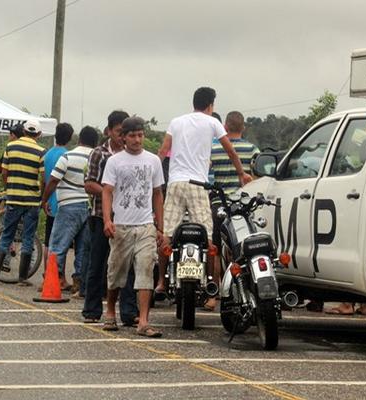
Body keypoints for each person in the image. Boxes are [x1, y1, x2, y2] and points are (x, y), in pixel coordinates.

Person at [157, 87, 252, 310]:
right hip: (198, 185)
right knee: (207, 239)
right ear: (210, 105)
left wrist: (154, 177)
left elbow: (163, 151)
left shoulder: (176, 122)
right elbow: (230, 150)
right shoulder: (212, 122)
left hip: (175, 184)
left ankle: (161, 282)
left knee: (167, 235)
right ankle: (211, 283)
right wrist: (241, 173)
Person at [101, 116, 165, 337]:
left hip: (145, 225)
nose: (137, 140)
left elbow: (157, 193)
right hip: (122, 225)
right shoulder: (115, 161)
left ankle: (144, 321)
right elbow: (107, 191)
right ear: (123, 138)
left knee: (146, 270)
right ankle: (110, 312)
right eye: (132, 136)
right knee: (116, 272)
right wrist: (107, 220)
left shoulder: (153, 161)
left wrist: (160, 227)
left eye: (140, 135)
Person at [82, 110, 138, 326]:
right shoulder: (99, 153)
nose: (122, 136)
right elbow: (89, 184)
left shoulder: (132, 154)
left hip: (127, 219)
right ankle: (92, 310)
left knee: (128, 267)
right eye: (118, 132)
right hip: (100, 216)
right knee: (97, 264)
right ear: (109, 131)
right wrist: (110, 191)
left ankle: (128, 311)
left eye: (125, 132)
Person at [41, 126, 98, 298]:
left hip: (69, 206)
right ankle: (78, 282)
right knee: (82, 247)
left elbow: (53, 180)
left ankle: (53, 279)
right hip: (89, 207)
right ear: (95, 142)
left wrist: (44, 200)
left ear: (79, 139)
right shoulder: (96, 158)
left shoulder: (68, 156)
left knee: (58, 244)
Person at [0, 120, 45, 286]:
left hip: (13, 198)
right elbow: (43, 178)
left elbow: (4, 172)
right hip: (32, 201)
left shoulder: (10, 147)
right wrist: (40, 195)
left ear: (24, 131)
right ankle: (22, 278)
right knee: (28, 238)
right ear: (39, 134)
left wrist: (9, 188)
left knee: (7, 235)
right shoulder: (41, 151)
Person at [209, 111, 259, 291]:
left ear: (225, 127)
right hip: (243, 206)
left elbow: (206, 173)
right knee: (242, 245)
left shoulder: (214, 149)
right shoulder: (253, 150)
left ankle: (214, 292)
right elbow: (257, 176)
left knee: (215, 246)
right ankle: (241, 288)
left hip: (219, 204)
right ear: (243, 127)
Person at [41, 122, 74, 290]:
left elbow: (44, 179)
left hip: (48, 202)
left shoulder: (47, 154)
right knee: (62, 244)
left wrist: (43, 199)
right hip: (62, 203)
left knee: (48, 241)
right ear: (69, 138)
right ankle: (58, 277)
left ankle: (47, 274)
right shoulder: (66, 156)